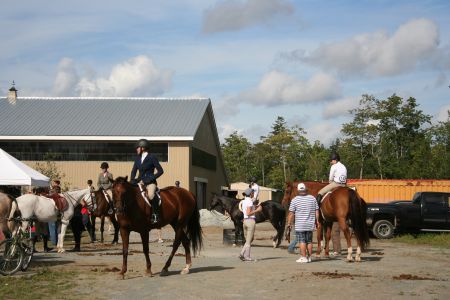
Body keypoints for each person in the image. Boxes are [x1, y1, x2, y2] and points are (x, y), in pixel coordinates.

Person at [130, 139, 164, 224]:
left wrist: (151, 178)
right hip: (139, 182)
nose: (136, 149)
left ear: (143, 148)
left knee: (151, 195)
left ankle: (156, 214)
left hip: (150, 182)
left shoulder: (152, 157)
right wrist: (132, 179)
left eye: (138, 148)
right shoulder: (137, 158)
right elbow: (133, 171)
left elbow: (160, 171)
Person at [287, 182, 319, 263]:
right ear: (305, 189)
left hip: (300, 225)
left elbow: (291, 213)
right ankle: (309, 257)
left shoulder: (294, 200)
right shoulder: (312, 198)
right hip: (310, 224)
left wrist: (289, 223)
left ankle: (303, 257)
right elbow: (317, 211)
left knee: (302, 241)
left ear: (298, 190)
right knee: (309, 241)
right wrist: (317, 221)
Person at [239, 188, 262, 262]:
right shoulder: (249, 202)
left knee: (249, 239)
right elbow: (249, 213)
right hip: (250, 221)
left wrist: (254, 207)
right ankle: (247, 256)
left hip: (245, 221)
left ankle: (242, 254)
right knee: (249, 241)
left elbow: (246, 211)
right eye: (253, 192)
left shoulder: (244, 201)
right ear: (251, 193)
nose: (253, 194)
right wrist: (257, 210)